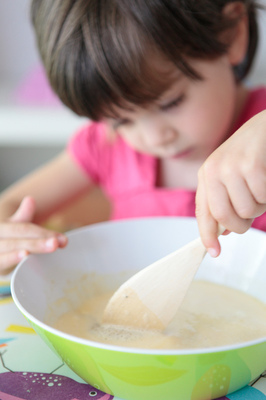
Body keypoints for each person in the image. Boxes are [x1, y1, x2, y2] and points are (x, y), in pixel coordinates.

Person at [0, 0, 266, 275]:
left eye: (170, 103)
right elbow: (10, 206)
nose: (155, 138)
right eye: (121, 120)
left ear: (232, 34)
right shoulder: (107, 145)